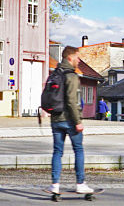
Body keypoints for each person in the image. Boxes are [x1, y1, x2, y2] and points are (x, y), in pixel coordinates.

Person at [46, 47, 93, 194]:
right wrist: (78, 121)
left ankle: (55, 185)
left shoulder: (54, 74)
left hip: (55, 120)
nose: (79, 61)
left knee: (57, 151)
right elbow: (72, 102)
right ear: (69, 58)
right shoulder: (71, 76)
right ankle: (80, 183)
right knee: (78, 150)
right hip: (70, 120)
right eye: (77, 58)